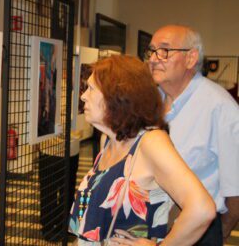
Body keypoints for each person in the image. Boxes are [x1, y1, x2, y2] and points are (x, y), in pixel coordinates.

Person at [68, 55, 216, 245]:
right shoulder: (109, 140)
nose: (83, 96)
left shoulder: (150, 142)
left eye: (91, 89)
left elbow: (201, 209)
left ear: (116, 95)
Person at [146, 25, 239, 245]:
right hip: (150, 226)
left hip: (197, 231)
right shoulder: (150, 101)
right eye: (151, 50)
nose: (153, 58)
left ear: (191, 58)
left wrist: (218, 232)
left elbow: (235, 189)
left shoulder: (220, 107)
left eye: (165, 50)